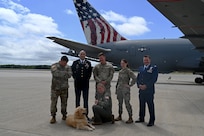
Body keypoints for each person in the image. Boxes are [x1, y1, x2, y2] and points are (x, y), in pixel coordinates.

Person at [135, 55, 158, 127]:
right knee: (141, 105)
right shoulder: (141, 68)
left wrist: (146, 86)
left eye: (147, 60)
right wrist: (139, 85)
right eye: (144, 60)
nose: (146, 61)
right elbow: (138, 78)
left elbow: (154, 79)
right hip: (141, 90)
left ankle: (152, 120)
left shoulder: (153, 68)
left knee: (150, 106)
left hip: (149, 91)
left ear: (150, 60)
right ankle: (141, 118)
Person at [50, 56, 72, 124]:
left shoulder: (68, 67)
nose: (65, 64)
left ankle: (64, 115)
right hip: (55, 88)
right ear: (61, 61)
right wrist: (65, 73)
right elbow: (55, 73)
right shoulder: (54, 65)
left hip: (64, 88)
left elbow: (70, 75)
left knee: (64, 103)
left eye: (66, 63)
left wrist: (62, 73)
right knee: (53, 103)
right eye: (64, 63)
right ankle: (53, 117)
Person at [71, 50, 92, 119]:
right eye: (81, 54)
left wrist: (86, 79)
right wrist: (76, 78)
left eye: (83, 54)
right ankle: (77, 115)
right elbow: (72, 72)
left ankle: (85, 115)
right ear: (79, 55)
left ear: (85, 55)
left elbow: (89, 72)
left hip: (85, 84)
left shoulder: (88, 63)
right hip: (77, 83)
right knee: (77, 99)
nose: (82, 55)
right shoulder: (75, 63)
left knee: (85, 100)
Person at [115, 59, 136, 123]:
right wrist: (116, 89)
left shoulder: (128, 71)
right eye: (121, 63)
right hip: (119, 89)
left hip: (125, 90)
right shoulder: (120, 71)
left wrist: (130, 85)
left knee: (127, 103)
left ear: (126, 64)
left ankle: (130, 117)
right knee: (120, 103)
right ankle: (120, 115)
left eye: (123, 63)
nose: (122, 65)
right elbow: (118, 81)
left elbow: (134, 78)